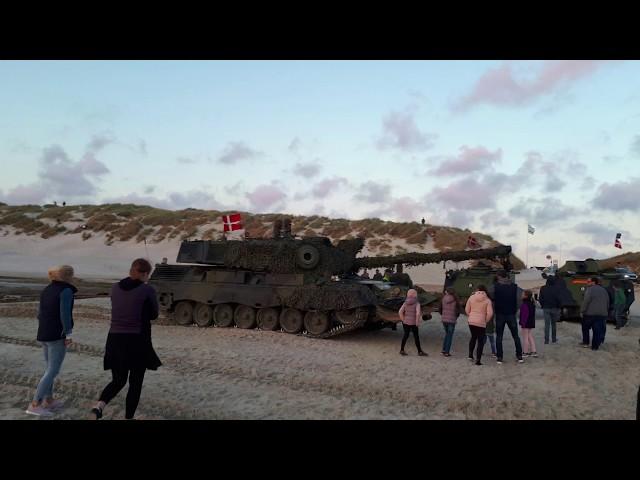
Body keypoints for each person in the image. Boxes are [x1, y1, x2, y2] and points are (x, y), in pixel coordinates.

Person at [91, 258, 162, 420]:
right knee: (135, 384)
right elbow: (154, 315)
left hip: (114, 339)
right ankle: (128, 417)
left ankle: (99, 406)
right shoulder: (147, 290)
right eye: (147, 274)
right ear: (144, 273)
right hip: (137, 341)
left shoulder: (115, 287)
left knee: (118, 380)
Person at [26, 265, 76, 416]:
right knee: (52, 370)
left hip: (44, 332)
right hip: (56, 335)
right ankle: (35, 404)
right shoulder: (66, 290)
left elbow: (39, 313)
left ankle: (49, 400)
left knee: (49, 369)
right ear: (69, 276)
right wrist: (67, 334)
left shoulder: (47, 288)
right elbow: (65, 315)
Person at [493, 270, 524, 364]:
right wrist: (515, 309)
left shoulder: (494, 287)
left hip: (499, 314)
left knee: (499, 337)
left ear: (499, 276)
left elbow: (489, 296)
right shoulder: (515, 287)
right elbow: (520, 299)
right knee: (516, 336)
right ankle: (519, 356)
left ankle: (499, 357)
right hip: (511, 314)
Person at [465, 285, 493, 366]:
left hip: (471, 321)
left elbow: (467, 309)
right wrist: (485, 320)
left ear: (477, 290)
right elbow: (490, 313)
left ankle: (470, 355)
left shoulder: (471, 297)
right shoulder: (487, 300)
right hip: (481, 322)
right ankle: (478, 359)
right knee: (480, 341)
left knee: (473, 337)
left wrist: (470, 315)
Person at [580, 277, 609, 351]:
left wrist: (582, 311)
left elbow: (586, 301)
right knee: (597, 330)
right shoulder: (604, 290)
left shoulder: (590, 290)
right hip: (601, 314)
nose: (588, 283)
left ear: (593, 282)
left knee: (585, 328)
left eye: (589, 282)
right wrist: (605, 311)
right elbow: (607, 302)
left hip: (590, 314)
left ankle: (586, 343)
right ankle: (595, 347)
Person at [398, 289, 427, 357]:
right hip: (413, 323)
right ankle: (419, 351)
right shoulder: (417, 303)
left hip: (406, 322)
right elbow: (418, 313)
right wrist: (417, 322)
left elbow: (400, 312)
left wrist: (403, 320)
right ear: (415, 295)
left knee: (405, 335)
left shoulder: (405, 303)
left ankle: (402, 350)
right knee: (416, 337)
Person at [539, 276, 561, 344]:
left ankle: (546, 340)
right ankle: (554, 339)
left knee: (547, 325)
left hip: (546, 308)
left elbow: (540, 299)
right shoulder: (557, 288)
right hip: (555, 308)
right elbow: (559, 299)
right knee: (554, 324)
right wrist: (558, 306)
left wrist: (543, 305)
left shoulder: (543, 288)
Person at [440, 287, 460, 357]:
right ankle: (446, 352)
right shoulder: (455, 299)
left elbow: (440, 309)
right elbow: (458, 310)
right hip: (452, 320)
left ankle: (443, 350)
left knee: (447, 334)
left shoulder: (443, 298)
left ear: (447, 292)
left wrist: (443, 315)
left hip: (444, 319)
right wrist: (456, 316)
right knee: (449, 336)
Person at [519, 290, 537, 357]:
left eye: (522, 294)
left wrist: (523, 324)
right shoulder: (532, 303)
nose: (521, 295)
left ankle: (525, 352)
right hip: (531, 323)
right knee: (530, 336)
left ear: (526, 296)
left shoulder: (524, 304)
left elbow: (524, 315)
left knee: (525, 338)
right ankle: (534, 351)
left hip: (526, 323)